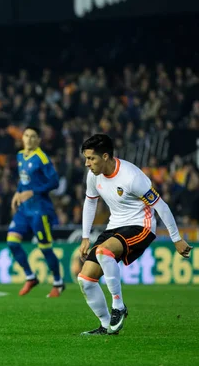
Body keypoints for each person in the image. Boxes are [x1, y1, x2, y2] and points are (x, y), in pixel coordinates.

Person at [78, 134, 192, 335]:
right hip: (115, 227)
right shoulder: (93, 176)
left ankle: (119, 306)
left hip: (141, 226)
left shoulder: (132, 177)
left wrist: (177, 238)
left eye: (91, 158)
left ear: (105, 156)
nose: (87, 164)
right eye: (86, 158)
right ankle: (106, 326)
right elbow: (90, 201)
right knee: (85, 279)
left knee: (104, 252)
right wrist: (85, 236)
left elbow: (161, 207)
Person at [7, 127, 64, 297]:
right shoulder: (19, 156)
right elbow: (24, 180)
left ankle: (58, 283)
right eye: (26, 136)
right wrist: (18, 192)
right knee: (12, 242)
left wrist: (32, 192)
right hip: (24, 209)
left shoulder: (41, 157)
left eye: (33, 137)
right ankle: (31, 277)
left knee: (45, 248)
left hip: (40, 210)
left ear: (39, 140)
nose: (29, 139)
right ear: (22, 138)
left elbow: (55, 182)